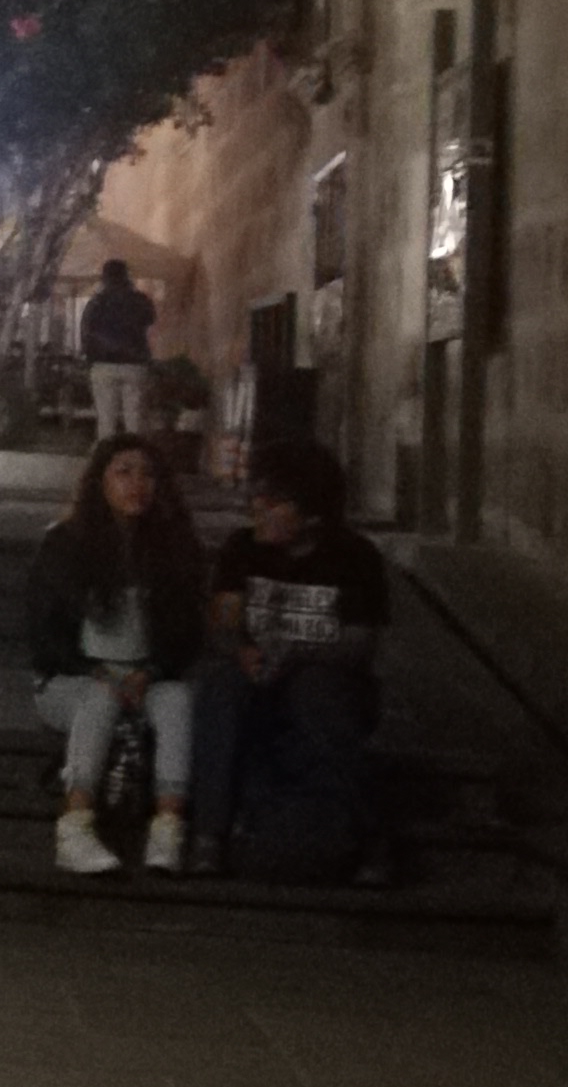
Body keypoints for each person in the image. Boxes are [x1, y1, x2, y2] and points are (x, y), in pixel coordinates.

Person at [191, 440, 392, 879]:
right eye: (257, 495)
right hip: (257, 677)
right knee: (221, 690)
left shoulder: (355, 557)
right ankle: (210, 833)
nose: (257, 508)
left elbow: (360, 644)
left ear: (313, 515)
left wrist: (299, 653)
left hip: (330, 684)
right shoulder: (242, 549)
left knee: (317, 691)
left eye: (275, 501)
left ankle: (369, 837)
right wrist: (240, 649)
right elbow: (222, 623)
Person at [27, 434, 205, 877]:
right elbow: (44, 634)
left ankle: (168, 828)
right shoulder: (65, 543)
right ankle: (75, 826)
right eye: (124, 472)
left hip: (144, 677)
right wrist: (98, 672)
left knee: (177, 701)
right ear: (100, 481)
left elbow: (187, 632)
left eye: (147, 474)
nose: (137, 484)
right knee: (99, 698)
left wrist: (153, 670)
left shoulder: (174, 546)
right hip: (73, 677)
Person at [80, 257, 157, 444]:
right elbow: (150, 320)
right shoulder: (140, 300)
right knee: (135, 421)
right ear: (126, 275)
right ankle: (135, 455)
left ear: (104, 277)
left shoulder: (96, 302)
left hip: (103, 365)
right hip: (135, 364)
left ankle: (107, 457)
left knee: (106, 422)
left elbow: (86, 333)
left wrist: (89, 359)